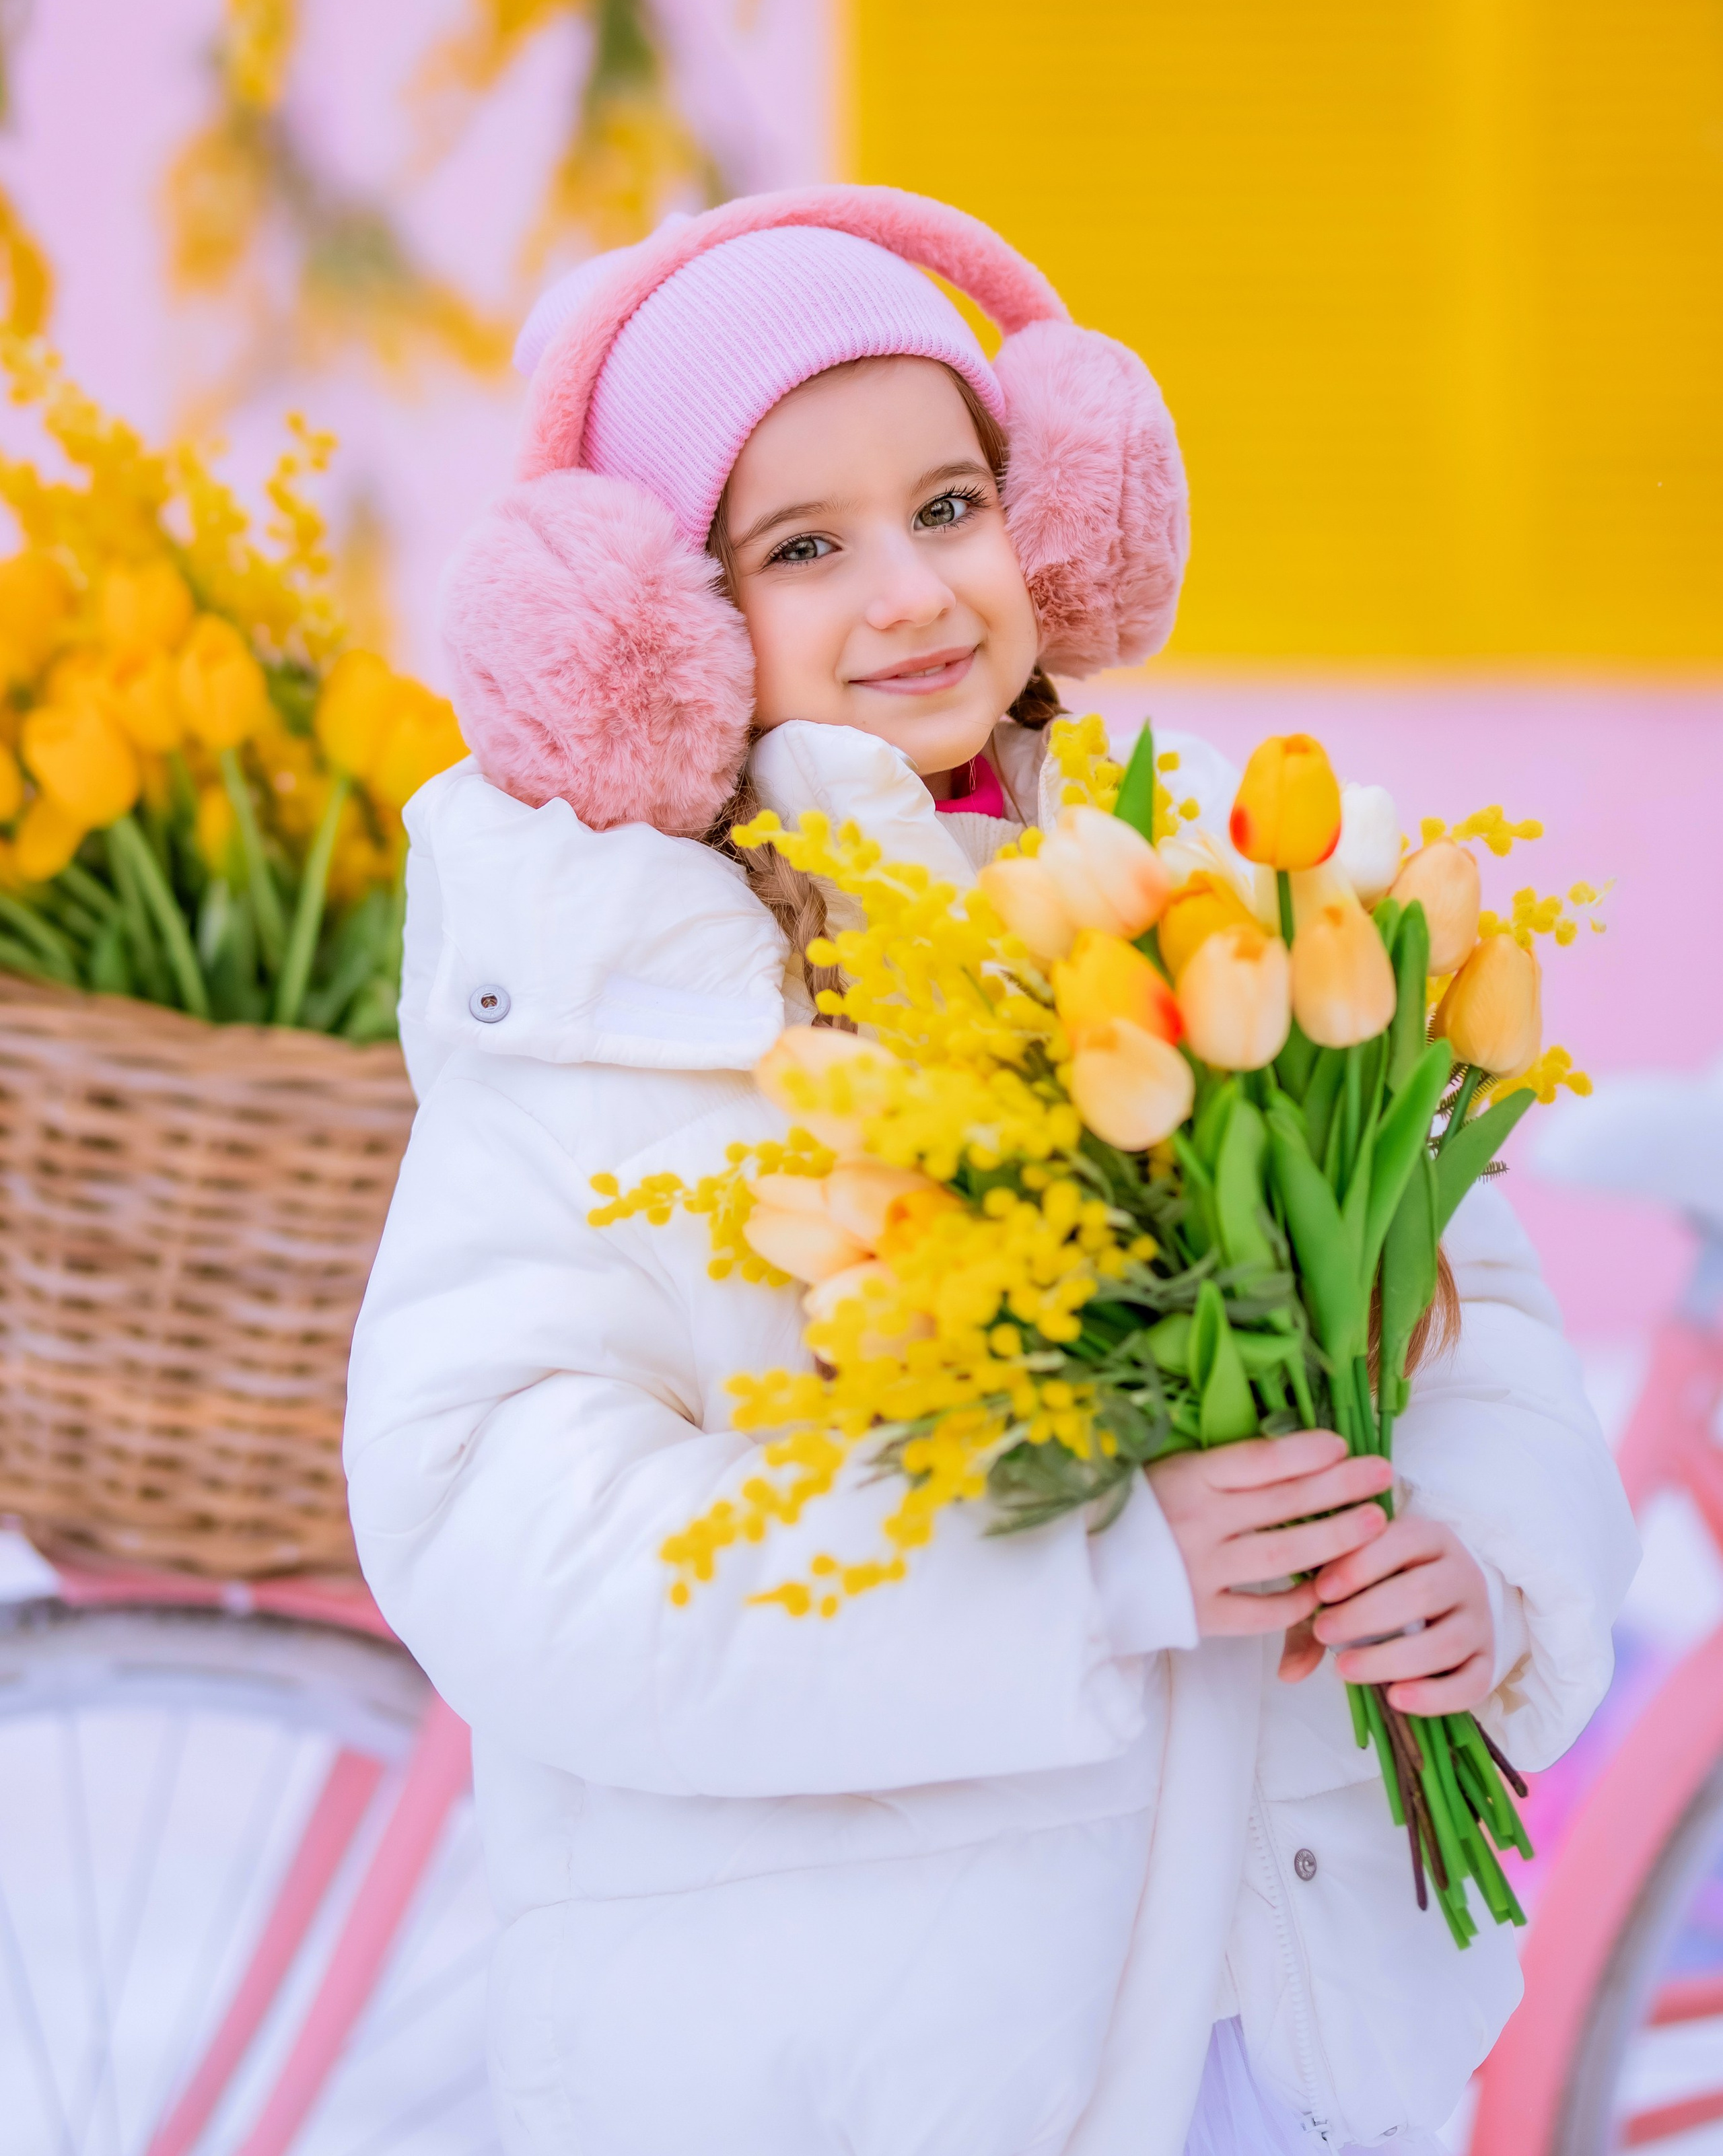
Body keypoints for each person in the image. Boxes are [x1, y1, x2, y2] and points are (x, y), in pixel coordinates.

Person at [344, 187, 1638, 2156]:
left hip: (1286, 2048)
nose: (915, 592)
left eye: (952, 505)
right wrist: (1089, 1571)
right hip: (858, 2084)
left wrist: (1480, 1568)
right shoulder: (601, 1015)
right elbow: (515, 1543)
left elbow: (1474, 1325)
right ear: (651, 639)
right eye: (804, 545)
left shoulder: (1195, 896)